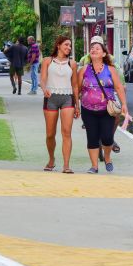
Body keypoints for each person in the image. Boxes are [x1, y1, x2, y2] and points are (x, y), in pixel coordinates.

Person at [78, 36, 127, 174]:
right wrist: (76, 104)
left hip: (106, 109)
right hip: (87, 109)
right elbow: (77, 89)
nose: (94, 49)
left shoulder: (110, 70)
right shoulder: (83, 70)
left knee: (107, 137)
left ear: (104, 53)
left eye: (97, 48)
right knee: (92, 137)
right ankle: (94, 166)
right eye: (92, 48)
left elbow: (119, 87)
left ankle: (107, 158)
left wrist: (124, 105)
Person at [39, 35, 79, 174]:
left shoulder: (72, 64)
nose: (68, 47)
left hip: (67, 98)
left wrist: (77, 106)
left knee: (66, 133)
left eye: (70, 46)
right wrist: (44, 90)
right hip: (51, 98)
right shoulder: (47, 61)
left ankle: (66, 165)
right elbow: (43, 80)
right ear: (58, 45)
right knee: (50, 134)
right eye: (66, 45)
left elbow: (75, 86)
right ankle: (51, 159)